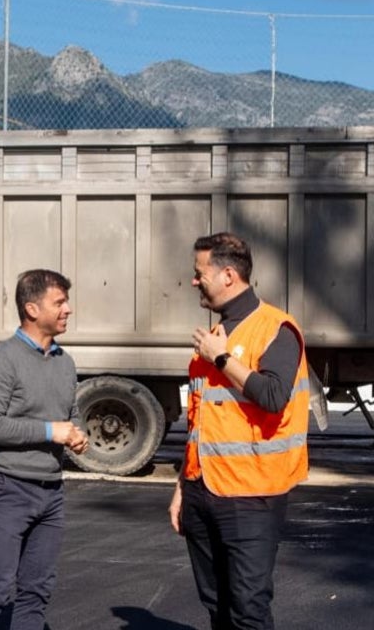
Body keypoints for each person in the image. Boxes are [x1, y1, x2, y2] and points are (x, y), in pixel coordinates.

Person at [168, 232, 310, 630]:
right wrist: (182, 488)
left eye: (200, 273)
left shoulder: (275, 328)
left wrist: (223, 359)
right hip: (202, 490)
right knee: (217, 604)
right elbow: (200, 422)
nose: (194, 281)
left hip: (251, 496)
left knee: (248, 610)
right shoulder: (214, 335)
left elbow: (273, 395)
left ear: (228, 275)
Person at [0, 268, 89, 630]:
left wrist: (77, 436)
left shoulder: (65, 362)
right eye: (59, 302)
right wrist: (51, 432)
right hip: (5, 490)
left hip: (51, 493)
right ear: (32, 310)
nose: (68, 309)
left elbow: (71, 417)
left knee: (36, 593)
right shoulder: (1, 361)